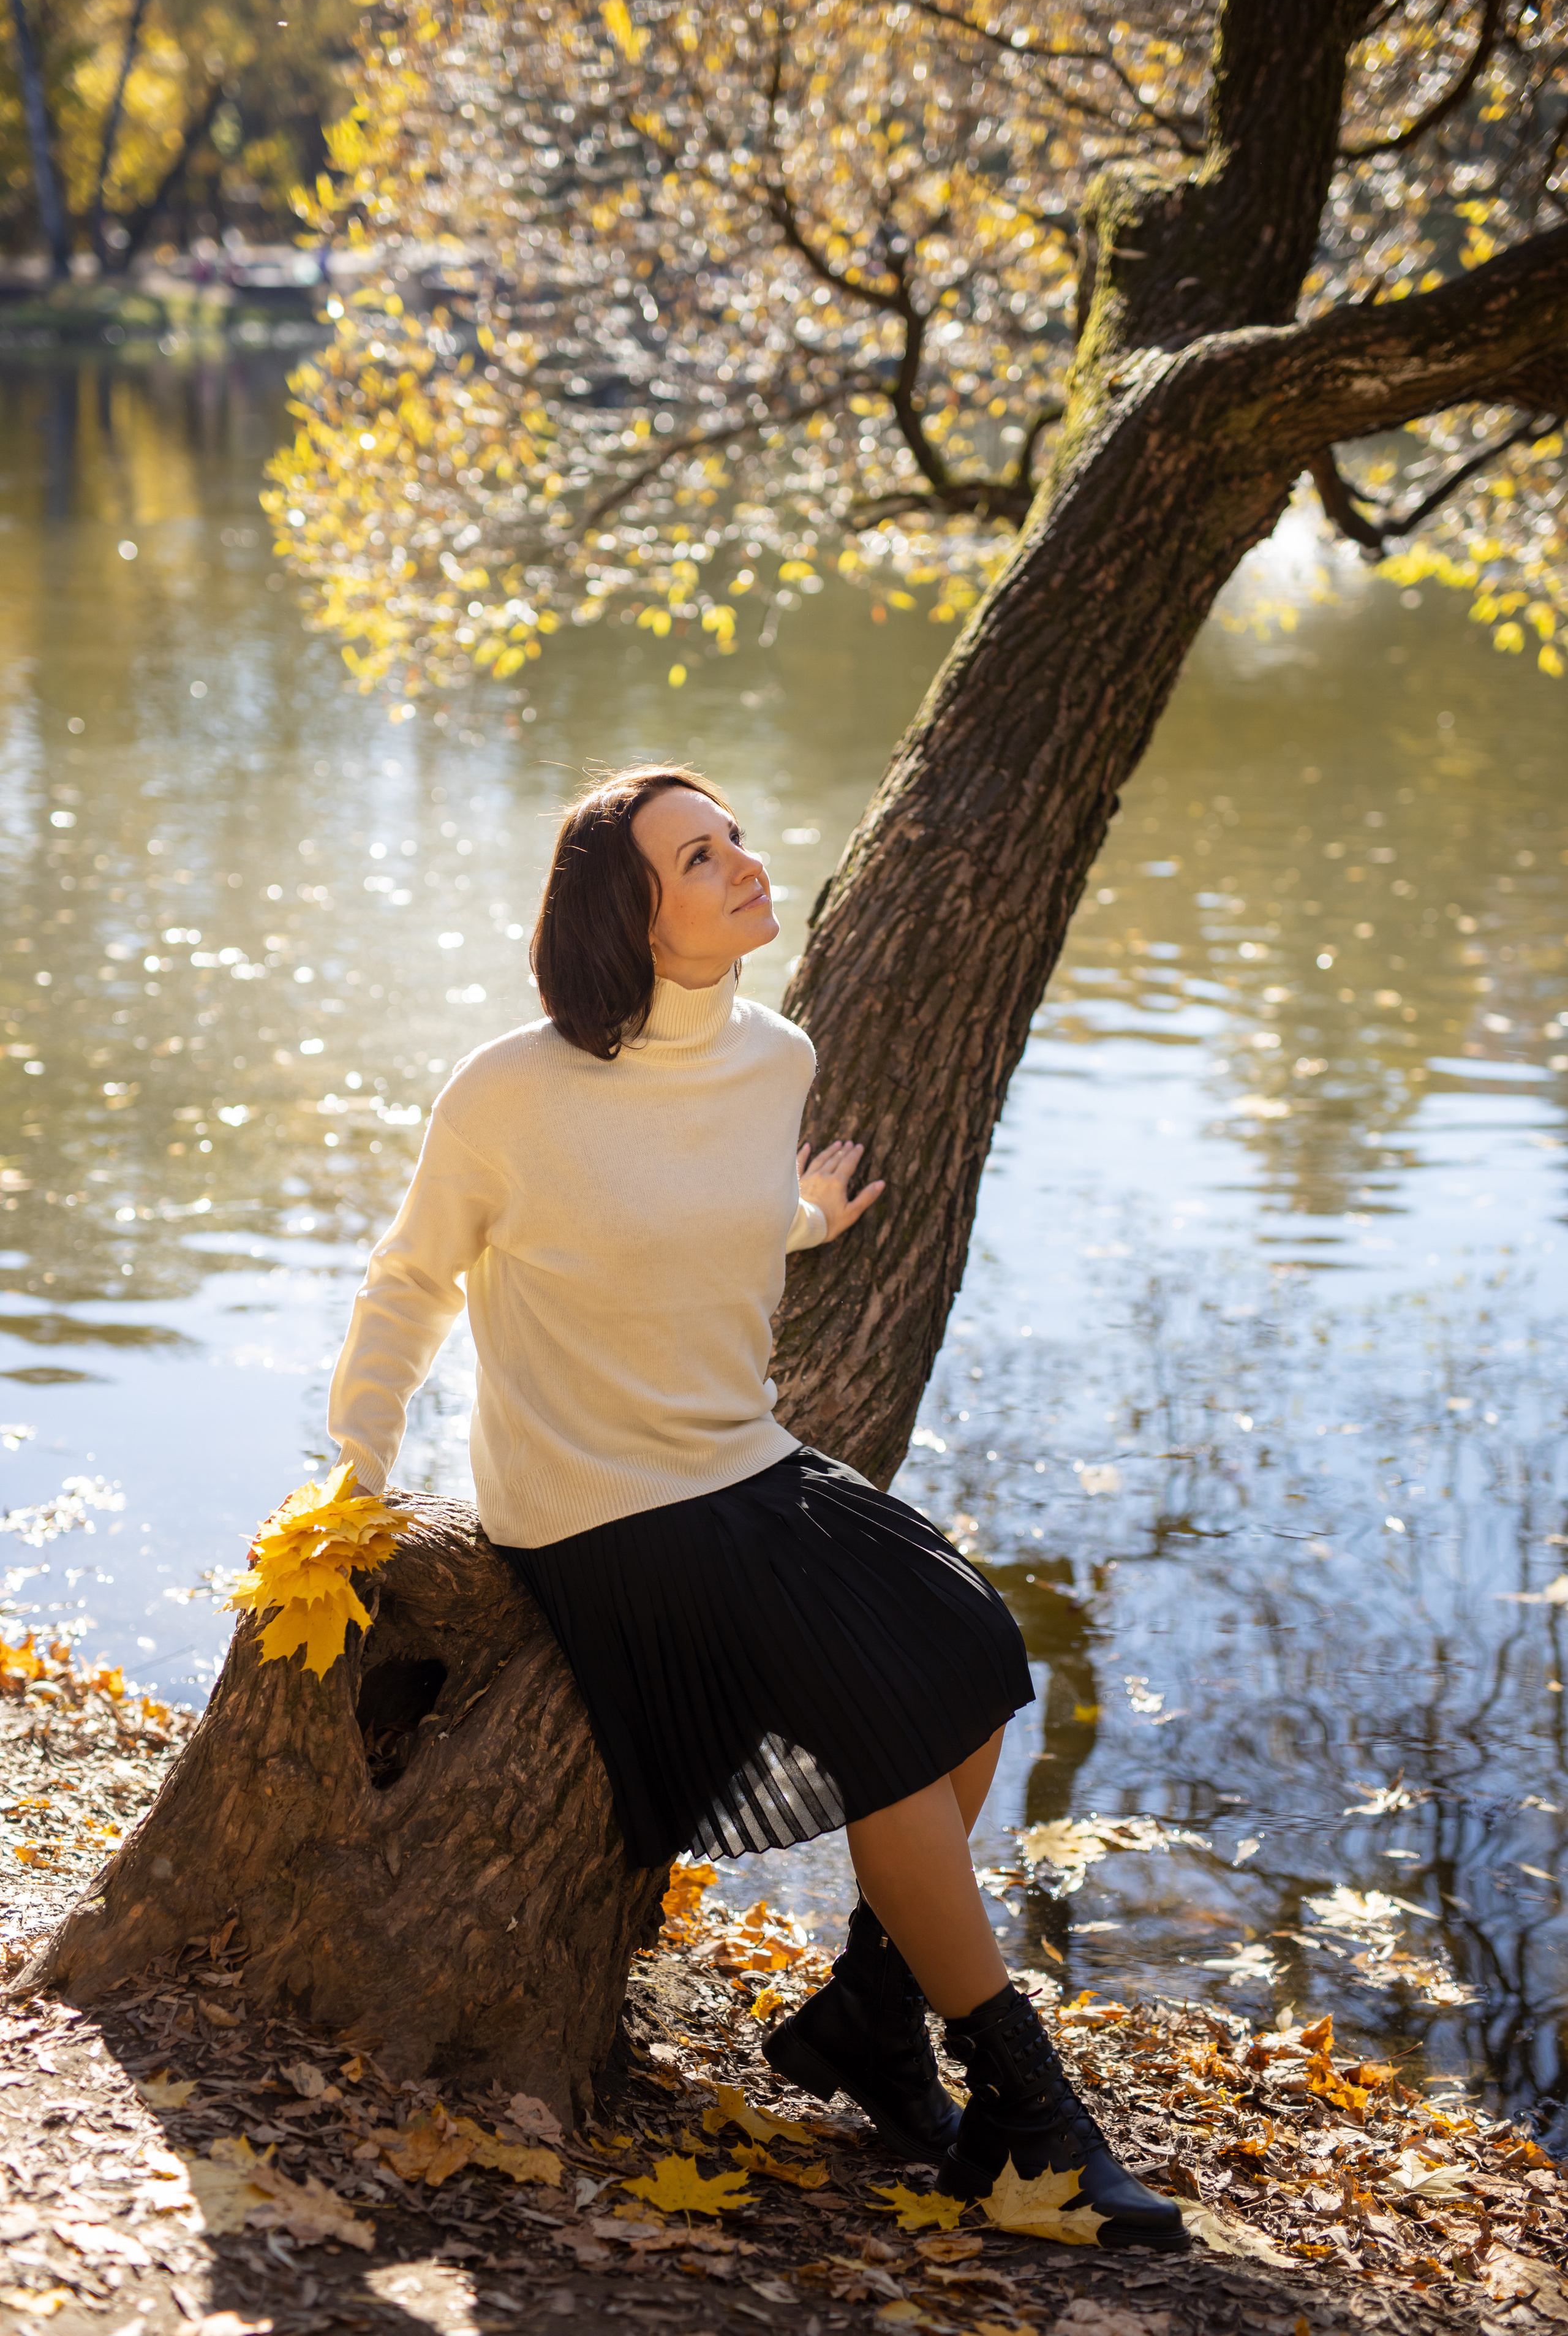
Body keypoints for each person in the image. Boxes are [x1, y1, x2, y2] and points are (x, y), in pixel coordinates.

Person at [326, 764, 1182, 2247]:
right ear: (629, 918)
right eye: (697, 856)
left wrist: (804, 1219)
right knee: (894, 1742)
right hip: (601, 1503)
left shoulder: (773, 1057)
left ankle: (864, 2010)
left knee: (976, 1662)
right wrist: (358, 1473)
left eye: (733, 840)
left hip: (740, 1456)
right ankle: (1030, 2116)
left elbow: (697, 1211)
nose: (741, 865)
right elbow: (410, 1281)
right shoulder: (507, 1090)